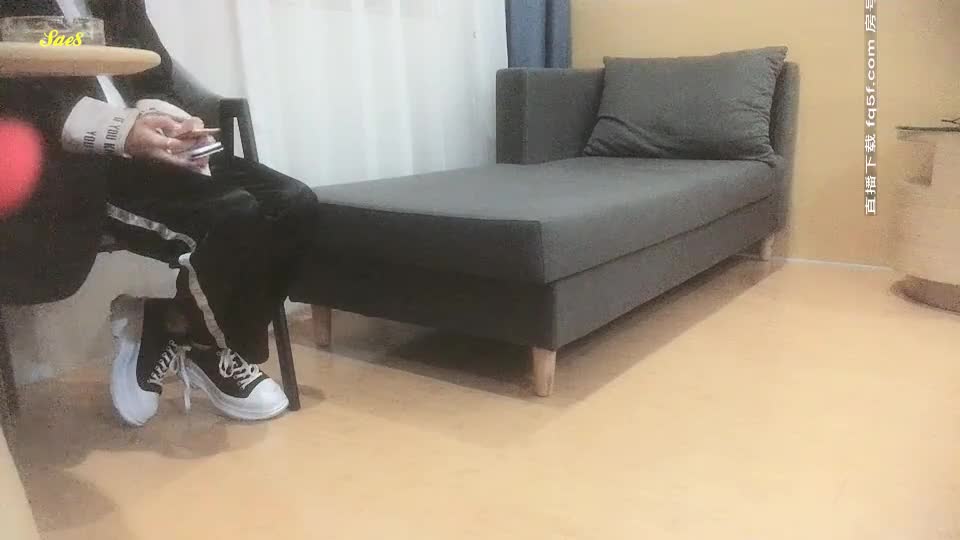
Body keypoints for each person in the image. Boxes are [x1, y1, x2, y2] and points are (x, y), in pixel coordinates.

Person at [0, 0, 320, 425]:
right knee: (233, 214)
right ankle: (212, 350)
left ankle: (171, 325)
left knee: (293, 203)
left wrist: (170, 121)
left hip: (148, 147)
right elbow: (22, 96)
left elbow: (154, 70)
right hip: (72, 163)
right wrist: (122, 131)